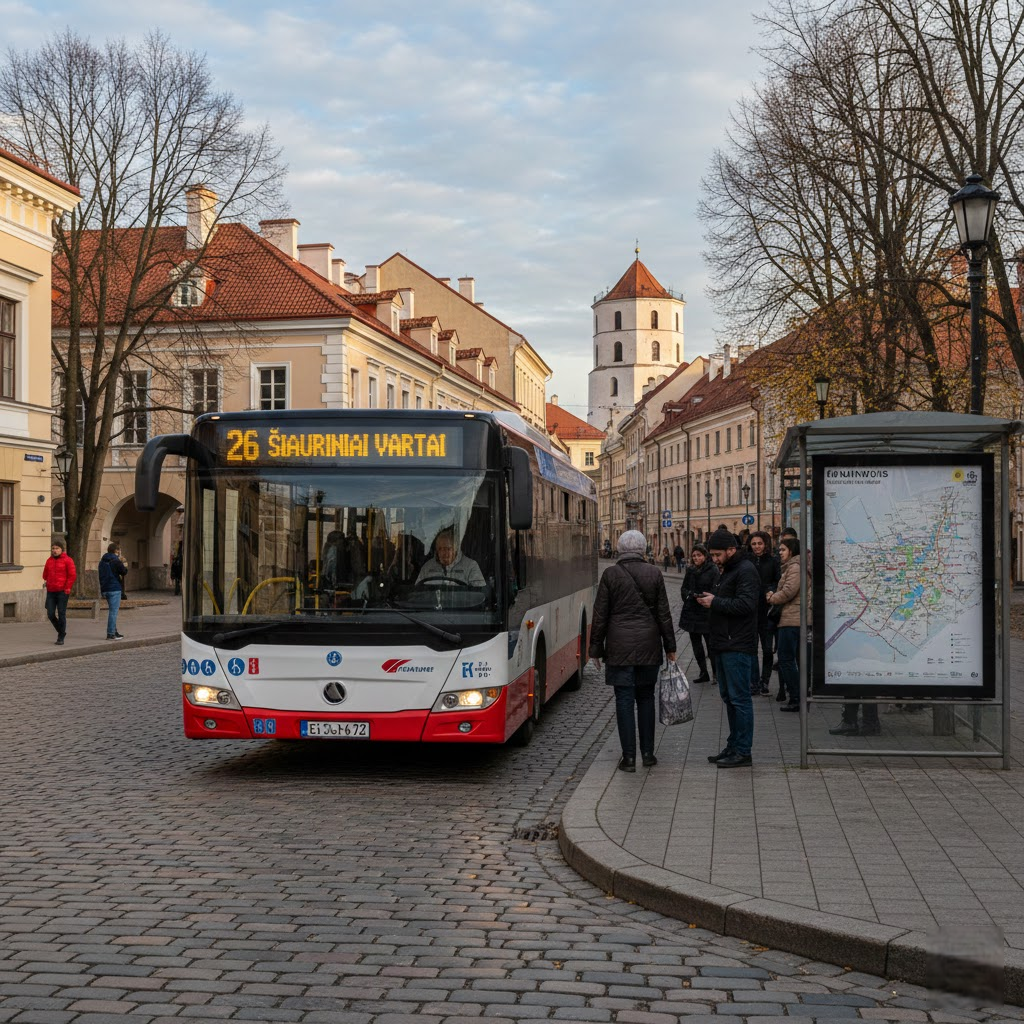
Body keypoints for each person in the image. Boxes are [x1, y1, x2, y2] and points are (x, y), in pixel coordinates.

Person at [589, 530, 677, 772]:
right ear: (642, 549)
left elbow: (600, 615)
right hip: (649, 645)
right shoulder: (654, 573)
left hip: (619, 648)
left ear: (619, 548)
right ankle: (647, 754)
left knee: (624, 701)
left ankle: (628, 758)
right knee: (646, 699)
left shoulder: (610, 574)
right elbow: (664, 614)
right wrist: (670, 647)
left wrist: (595, 649)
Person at [696, 528, 759, 768]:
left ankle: (743, 751)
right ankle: (733, 745)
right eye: (712, 554)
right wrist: (711, 599)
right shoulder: (729, 570)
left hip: (737, 644)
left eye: (717, 554)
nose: (714, 559)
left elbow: (746, 604)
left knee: (740, 699)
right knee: (729, 698)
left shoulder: (745, 570)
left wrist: (716, 602)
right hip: (723, 643)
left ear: (731, 550)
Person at [767, 537, 805, 709]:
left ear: (792, 550)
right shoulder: (793, 566)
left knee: (786, 659)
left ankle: (796, 697)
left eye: (783, 549)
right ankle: (796, 695)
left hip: (792, 619)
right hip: (792, 617)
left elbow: (789, 591)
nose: (779, 552)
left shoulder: (795, 567)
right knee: (789, 659)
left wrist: (772, 597)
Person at [746, 531, 780, 696]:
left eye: (759, 543)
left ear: (765, 544)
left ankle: (764, 681)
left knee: (767, 649)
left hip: (767, 611)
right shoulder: (747, 561)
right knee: (751, 649)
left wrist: (771, 590)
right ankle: (753, 683)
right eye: (754, 544)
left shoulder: (773, 561)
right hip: (751, 612)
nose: (757, 547)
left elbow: (777, 580)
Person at [678, 545, 718, 684]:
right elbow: (684, 588)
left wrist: (704, 597)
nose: (696, 558)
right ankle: (703, 672)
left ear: (705, 556)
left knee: (710, 644)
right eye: (694, 556)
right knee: (696, 645)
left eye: (699, 555)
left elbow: (715, 588)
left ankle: (715, 673)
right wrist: (689, 595)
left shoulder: (713, 569)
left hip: (707, 611)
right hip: (692, 611)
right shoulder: (691, 570)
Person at [416, 528, 485, 587]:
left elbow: (479, 594)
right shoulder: (427, 567)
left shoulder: (471, 566)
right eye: (440, 549)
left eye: (447, 549)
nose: (443, 553)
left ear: (455, 549)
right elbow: (417, 592)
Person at [42, 539, 76, 645]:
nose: (54, 550)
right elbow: (44, 574)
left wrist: (67, 588)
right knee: (50, 614)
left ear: (62, 550)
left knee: (61, 613)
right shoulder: (49, 560)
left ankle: (60, 637)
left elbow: (72, 575)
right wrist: (48, 581)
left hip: (62, 591)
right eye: (53, 548)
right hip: (51, 591)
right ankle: (61, 631)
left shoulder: (68, 560)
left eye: (57, 548)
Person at [98, 541, 128, 640]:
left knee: (112, 611)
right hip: (114, 588)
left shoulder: (102, 561)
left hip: (105, 588)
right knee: (113, 612)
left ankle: (115, 631)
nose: (119, 552)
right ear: (116, 550)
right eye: (119, 550)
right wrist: (124, 564)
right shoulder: (116, 561)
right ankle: (111, 634)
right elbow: (124, 572)